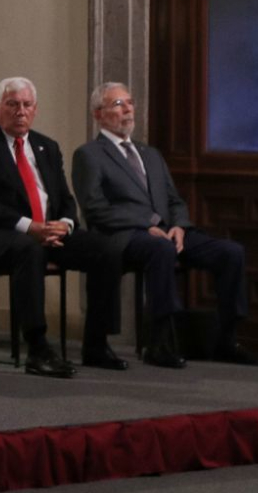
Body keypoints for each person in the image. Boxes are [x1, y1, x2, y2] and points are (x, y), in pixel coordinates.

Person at [72, 82, 255, 367]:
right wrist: (146, 224)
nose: (128, 109)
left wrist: (179, 225)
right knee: (160, 249)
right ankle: (159, 343)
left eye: (130, 102)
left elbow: (175, 200)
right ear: (98, 114)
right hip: (124, 235)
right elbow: (95, 208)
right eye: (119, 104)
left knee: (231, 252)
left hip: (169, 232)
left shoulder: (150, 154)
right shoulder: (89, 155)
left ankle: (226, 340)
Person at [0, 77, 121, 377]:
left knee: (105, 248)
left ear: (35, 109)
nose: (20, 111)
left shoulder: (46, 146)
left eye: (27, 105)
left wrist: (64, 225)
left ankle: (96, 343)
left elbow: (65, 199)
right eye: (12, 104)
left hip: (48, 233)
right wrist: (30, 227)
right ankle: (38, 347)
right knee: (28, 249)